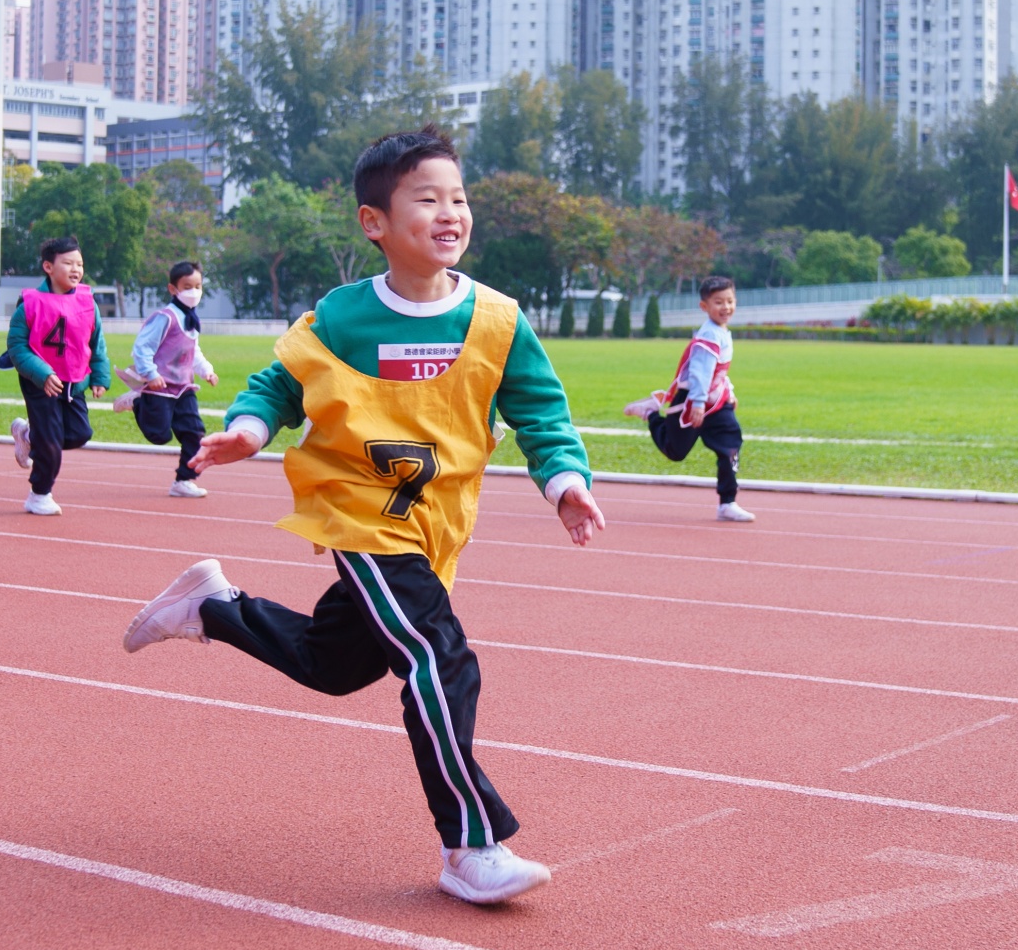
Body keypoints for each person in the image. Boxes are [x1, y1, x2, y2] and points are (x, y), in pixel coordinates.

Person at [121, 125, 605, 906]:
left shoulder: (497, 321)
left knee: (337, 664)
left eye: (459, 198)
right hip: (358, 512)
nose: (450, 213)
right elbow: (280, 383)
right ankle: (470, 844)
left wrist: (565, 483)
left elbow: (543, 414)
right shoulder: (344, 317)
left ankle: (211, 607)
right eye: (428, 199)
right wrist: (249, 430)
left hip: (435, 522)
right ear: (374, 222)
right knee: (437, 655)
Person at [626, 271, 754, 521]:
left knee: (730, 443)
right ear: (704, 306)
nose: (726, 307)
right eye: (718, 302)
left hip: (715, 403)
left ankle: (727, 502)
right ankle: (651, 413)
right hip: (693, 399)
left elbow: (719, 370)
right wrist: (697, 403)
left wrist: (729, 391)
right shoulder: (709, 335)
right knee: (676, 451)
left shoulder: (722, 332)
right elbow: (700, 372)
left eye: (730, 301)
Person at [1, 235, 111, 516]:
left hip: (74, 381)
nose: (76, 269)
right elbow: (17, 346)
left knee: (79, 434)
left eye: (80, 264)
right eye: (68, 263)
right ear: (48, 267)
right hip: (40, 383)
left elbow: (96, 342)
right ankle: (39, 495)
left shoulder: (88, 302)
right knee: (50, 444)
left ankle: (27, 434)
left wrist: (100, 376)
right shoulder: (30, 303)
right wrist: (42, 373)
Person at [123, 259, 219, 497]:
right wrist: (151, 374)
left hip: (184, 387)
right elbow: (142, 347)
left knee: (195, 433)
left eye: (198, 286)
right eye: (187, 287)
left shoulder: (192, 320)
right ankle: (138, 402)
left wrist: (206, 371)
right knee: (159, 435)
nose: (193, 292)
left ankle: (183, 481)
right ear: (173, 289)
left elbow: (193, 351)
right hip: (160, 387)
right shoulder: (165, 317)